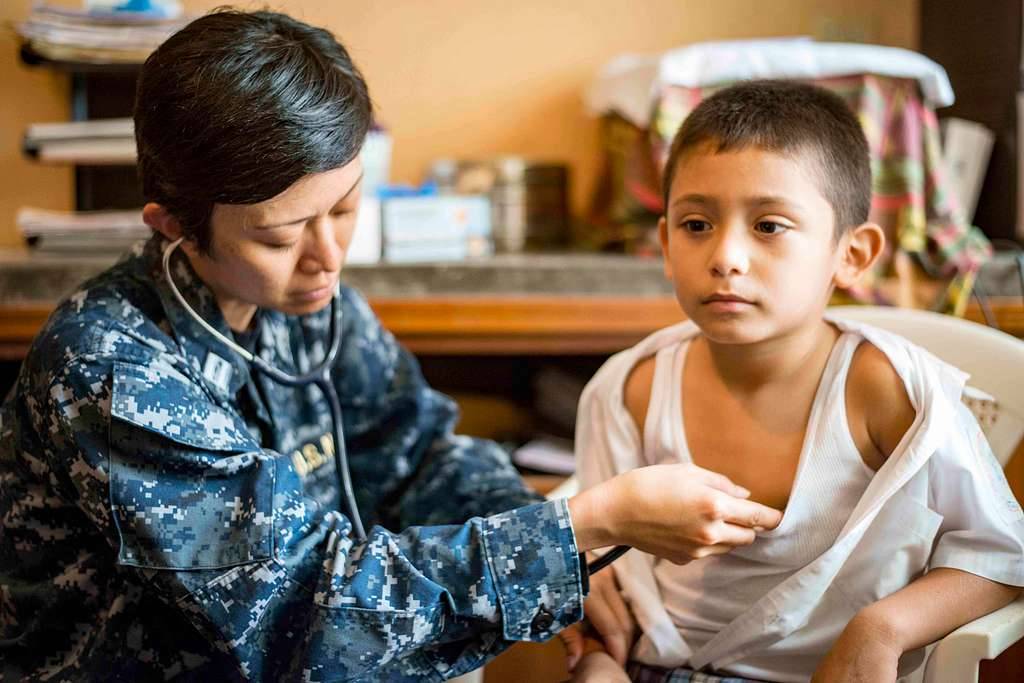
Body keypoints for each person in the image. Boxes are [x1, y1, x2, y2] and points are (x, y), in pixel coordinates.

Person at [0, 10, 784, 681]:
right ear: (172, 223)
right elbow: (306, 615)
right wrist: (586, 524)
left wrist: (558, 558)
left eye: (343, 208)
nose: (328, 257)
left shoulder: (305, 300)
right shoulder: (108, 372)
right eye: (280, 234)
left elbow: (417, 454)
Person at [563, 80, 1024, 682]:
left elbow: (1002, 552)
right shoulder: (630, 387)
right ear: (666, 245)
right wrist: (597, 660)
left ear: (851, 255)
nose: (726, 255)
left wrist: (880, 631)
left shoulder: (885, 389)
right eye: (696, 224)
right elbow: (606, 565)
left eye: (770, 226)